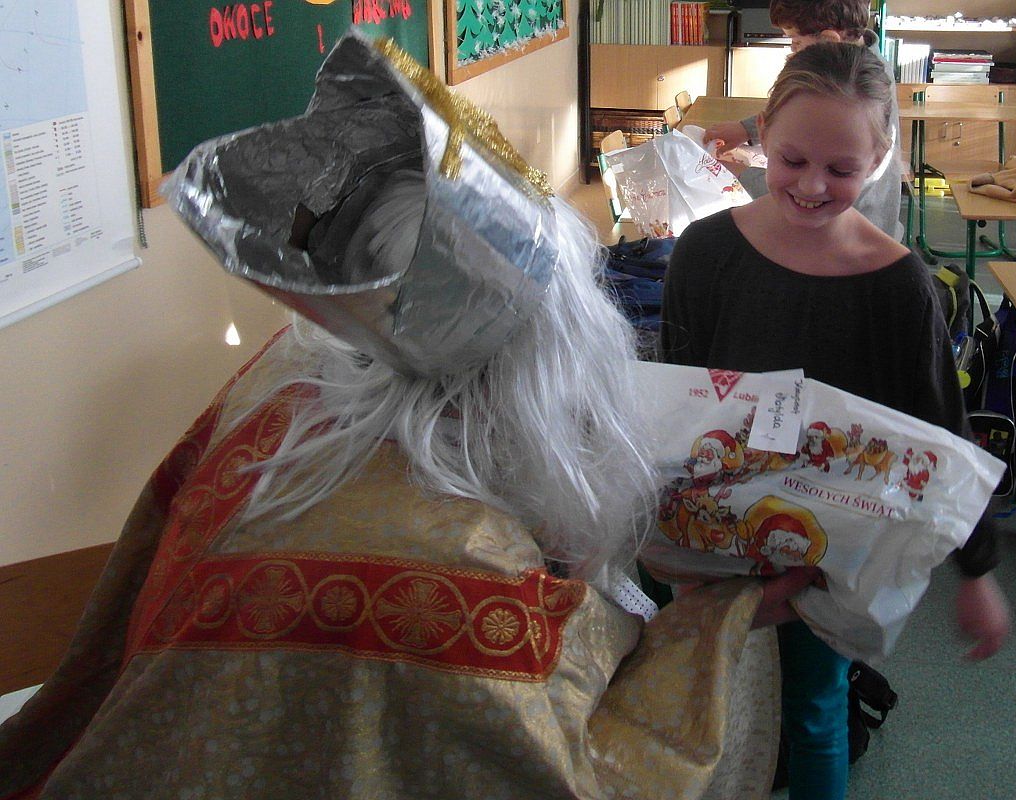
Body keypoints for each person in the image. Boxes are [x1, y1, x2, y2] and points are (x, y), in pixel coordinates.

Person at [0, 30, 815, 800]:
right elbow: (578, 776)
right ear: (541, 359)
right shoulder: (454, 576)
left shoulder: (275, 379)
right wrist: (717, 621)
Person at [662, 42, 1010, 800]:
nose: (812, 186)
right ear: (762, 135)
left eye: (842, 170)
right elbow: (676, 399)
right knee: (694, 702)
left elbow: (943, 435)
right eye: (791, 160)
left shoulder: (898, 287)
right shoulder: (706, 252)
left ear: (879, 161)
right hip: (711, 528)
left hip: (829, 550)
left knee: (816, 711)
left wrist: (977, 571)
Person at [703, 0, 904, 241]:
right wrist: (745, 130)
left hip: (849, 233)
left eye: (796, 42)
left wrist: (739, 173)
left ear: (829, 40)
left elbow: (807, 187)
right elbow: (802, 115)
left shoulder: (858, 90)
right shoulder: (863, 65)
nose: (792, 50)